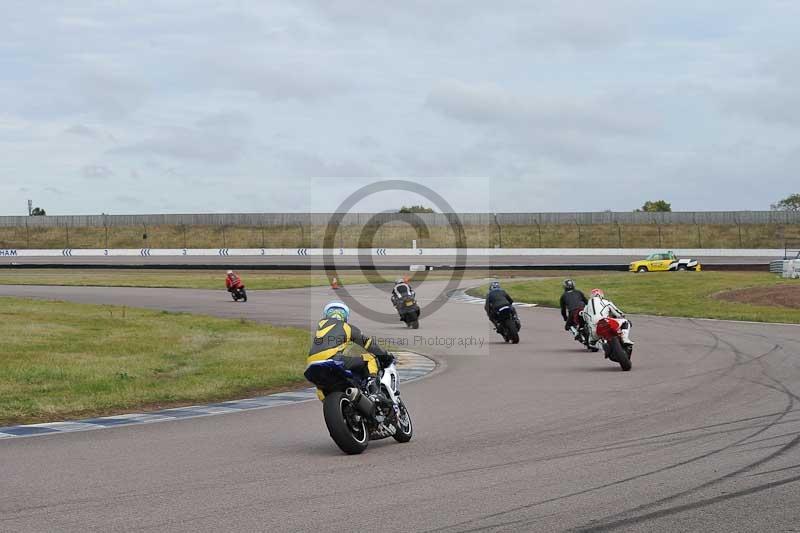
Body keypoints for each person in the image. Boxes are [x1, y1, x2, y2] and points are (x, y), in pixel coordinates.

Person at [306, 301, 394, 400]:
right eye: (332, 312)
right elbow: (369, 344)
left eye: (340, 312)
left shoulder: (318, 330)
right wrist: (385, 356)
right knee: (370, 358)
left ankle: (342, 408)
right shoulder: (346, 327)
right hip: (333, 359)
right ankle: (374, 392)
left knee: (320, 390)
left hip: (311, 365)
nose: (336, 314)